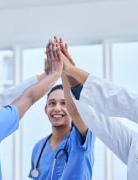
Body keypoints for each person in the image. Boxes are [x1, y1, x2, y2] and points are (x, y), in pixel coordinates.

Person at [49, 37, 138, 180]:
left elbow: (125, 100)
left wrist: (72, 69)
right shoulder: (137, 147)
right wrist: (69, 73)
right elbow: (95, 118)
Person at [0, 43, 62, 180]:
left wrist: (48, 75)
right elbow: (27, 97)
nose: (57, 108)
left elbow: (8, 98)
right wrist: (55, 73)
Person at [28, 41, 95, 180]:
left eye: (64, 103)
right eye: (52, 103)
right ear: (45, 109)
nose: (57, 108)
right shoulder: (38, 148)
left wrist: (65, 70)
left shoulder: (81, 138)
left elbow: (76, 111)